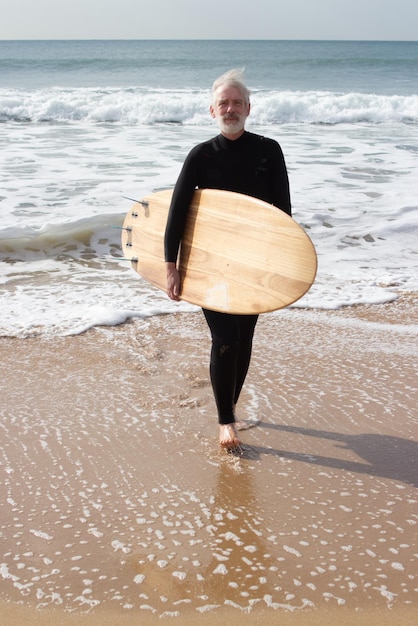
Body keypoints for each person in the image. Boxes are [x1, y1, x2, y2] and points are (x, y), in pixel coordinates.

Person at [164, 69, 291, 451]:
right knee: (226, 337)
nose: (230, 108)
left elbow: (283, 213)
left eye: (237, 102)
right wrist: (171, 264)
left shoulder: (269, 151)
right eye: (224, 103)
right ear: (212, 110)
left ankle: (227, 406)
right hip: (208, 264)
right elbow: (177, 211)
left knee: (245, 338)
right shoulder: (201, 155)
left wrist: (279, 267)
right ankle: (226, 422)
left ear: (248, 108)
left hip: (252, 263)